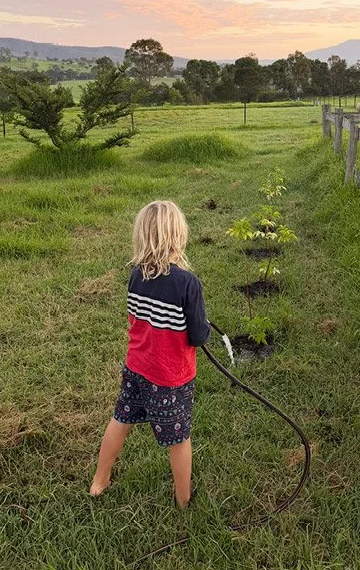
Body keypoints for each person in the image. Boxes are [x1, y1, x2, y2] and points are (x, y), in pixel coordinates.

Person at [89, 200, 209, 508]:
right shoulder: (188, 283)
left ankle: (99, 482)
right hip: (169, 377)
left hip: (136, 368)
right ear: (178, 235)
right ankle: (183, 501)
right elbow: (198, 336)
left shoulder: (135, 276)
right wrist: (204, 326)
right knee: (179, 438)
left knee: (121, 419)